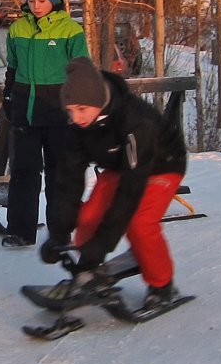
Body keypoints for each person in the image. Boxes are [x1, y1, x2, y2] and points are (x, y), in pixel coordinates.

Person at [35, 57, 187, 311]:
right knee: (89, 216)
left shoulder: (137, 121)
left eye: (81, 109)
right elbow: (68, 180)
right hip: (120, 166)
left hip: (162, 166)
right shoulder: (77, 125)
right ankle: (87, 272)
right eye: (70, 110)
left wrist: (103, 243)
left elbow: (131, 190)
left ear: (97, 101)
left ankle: (162, 286)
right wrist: (59, 233)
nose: (76, 117)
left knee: (140, 224)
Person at [2, 0, 89, 248]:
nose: (37, 6)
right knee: (24, 172)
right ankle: (20, 231)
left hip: (60, 114)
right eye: (31, 1)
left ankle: (61, 232)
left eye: (42, 0)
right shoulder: (17, 29)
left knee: (59, 173)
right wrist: (8, 97)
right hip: (25, 111)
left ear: (54, 0)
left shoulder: (70, 30)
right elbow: (12, 69)